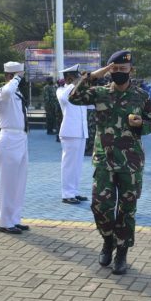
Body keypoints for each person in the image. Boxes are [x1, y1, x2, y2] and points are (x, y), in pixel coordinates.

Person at [68, 50, 151, 275]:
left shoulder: (141, 96)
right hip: (104, 161)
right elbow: (73, 97)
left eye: (123, 69)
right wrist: (92, 76)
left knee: (127, 209)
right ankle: (107, 239)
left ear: (131, 70)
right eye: (115, 69)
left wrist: (141, 126)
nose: (119, 73)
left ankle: (122, 251)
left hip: (131, 162)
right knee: (99, 204)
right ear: (109, 71)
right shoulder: (99, 93)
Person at [0, 61, 30, 235]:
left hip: (21, 138)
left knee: (19, 183)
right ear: (9, 76)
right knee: (8, 184)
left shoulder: (17, 93)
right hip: (8, 139)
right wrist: (16, 78)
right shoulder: (3, 91)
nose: (20, 79)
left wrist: (17, 80)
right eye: (17, 75)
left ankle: (15, 219)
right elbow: (8, 90)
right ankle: (4, 222)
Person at [57, 64, 93, 204]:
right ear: (68, 79)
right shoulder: (61, 90)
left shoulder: (79, 94)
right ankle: (67, 194)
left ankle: (74, 191)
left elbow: (91, 104)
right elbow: (65, 98)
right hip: (69, 132)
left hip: (81, 132)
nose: (79, 80)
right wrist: (76, 83)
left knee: (77, 165)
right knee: (69, 165)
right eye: (75, 78)